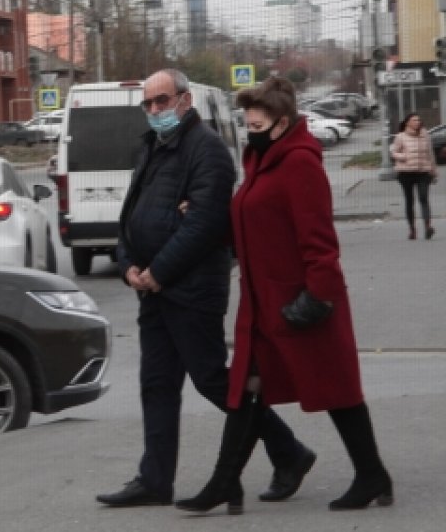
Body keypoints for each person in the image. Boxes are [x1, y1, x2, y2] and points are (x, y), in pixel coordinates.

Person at [96, 69, 313, 509]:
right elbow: (130, 217)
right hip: (152, 290)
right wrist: (127, 266)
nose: (155, 110)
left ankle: (289, 451)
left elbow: (205, 223)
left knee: (214, 379)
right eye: (148, 103)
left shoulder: (207, 150)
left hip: (192, 290)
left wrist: (158, 270)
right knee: (156, 384)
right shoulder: (151, 147)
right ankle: (154, 479)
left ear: (185, 99)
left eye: (162, 101)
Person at [177, 76, 393, 514]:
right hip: (262, 306)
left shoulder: (298, 164)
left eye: (257, 125)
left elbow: (319, 242)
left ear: (282, 123)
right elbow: (253, 230)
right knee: (245, 388)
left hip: (302, 305)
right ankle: (225, 483)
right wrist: (207, 217)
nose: (250, 132)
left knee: (338, 392)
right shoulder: (264, 161)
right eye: (247, 125)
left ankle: (371, 474)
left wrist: (318, 298)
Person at [390, 112, 437, 240]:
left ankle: (428, 227)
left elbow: (430, 153)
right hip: (406, 173)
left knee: (423, 198)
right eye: (415, 120)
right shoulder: (400, 136)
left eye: (419, 120)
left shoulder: (425, 135)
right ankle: (412, 229)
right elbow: (393, 151)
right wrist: (403, 156)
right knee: (409, 200)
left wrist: (433, 171)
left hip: (423, 172)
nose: (418, 122)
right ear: (407, 122)